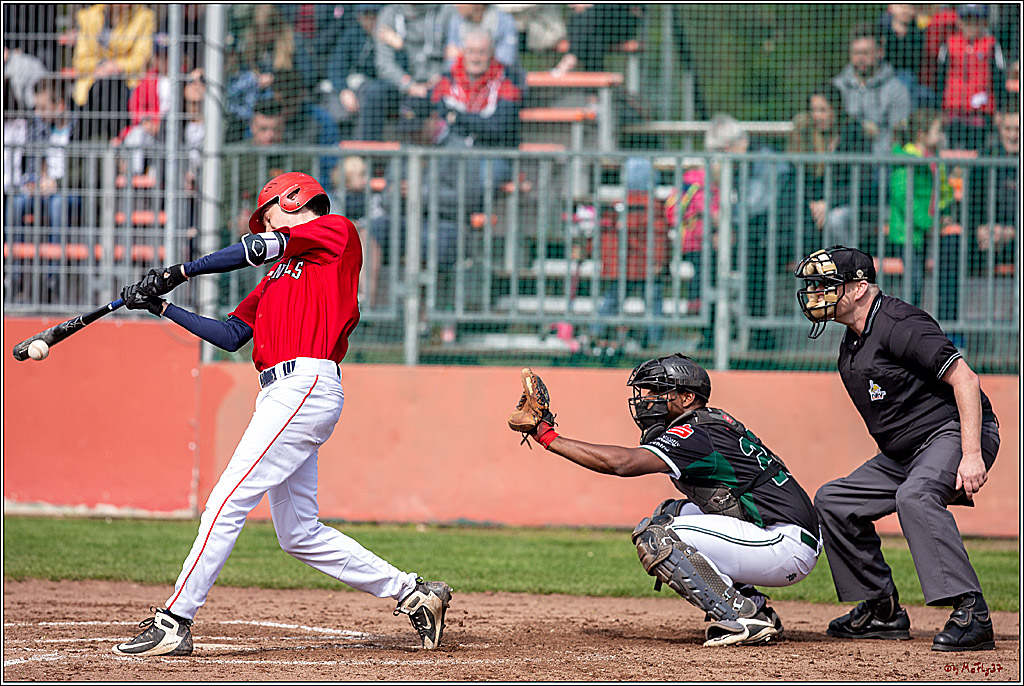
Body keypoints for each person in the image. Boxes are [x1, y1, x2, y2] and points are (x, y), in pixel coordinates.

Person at [112, 172, 453, 657]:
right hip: (280, 391)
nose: (265, 224)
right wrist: (162, 307)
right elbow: (231, 334)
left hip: (305, 382)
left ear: (293, 199)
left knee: (225, 501)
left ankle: (174, 620)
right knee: (299, 534)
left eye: (268, 213)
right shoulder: (278, 276)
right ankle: (414, 593)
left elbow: (254, 248)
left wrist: (182, 271)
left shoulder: (335, 231)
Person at [508, 358, 822, 647]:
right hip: (779, 534)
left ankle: (742, 615)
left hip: (784, 544)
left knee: (657, 538)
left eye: (658, 390)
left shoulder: (696, 433)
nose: (646, 398)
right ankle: (757, 609)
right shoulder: (706, 425)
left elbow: (622, 464)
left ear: (687, 398)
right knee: (668, 514)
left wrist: (547, 436)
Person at [795, 245, 1000, 652]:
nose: (817, 294)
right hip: (904, 455)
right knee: (834, 501)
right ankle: (882, 610)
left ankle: (972, 613)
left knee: (916, 496)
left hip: (951, 432)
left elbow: (966, 380)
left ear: (859, 288)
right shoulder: (853, 341)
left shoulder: (900, 323)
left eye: (827, 284)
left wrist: (971, 454)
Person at [784, 83, 875, 251]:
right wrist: (813, 204)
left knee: (835, 220)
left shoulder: (854, 135)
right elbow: (799, 179)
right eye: (814, 110)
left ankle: (844, 266)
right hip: (815, 204)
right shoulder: (806, 135)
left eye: (823, 110)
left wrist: (829, 202)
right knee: (797, 216)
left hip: (849, 204)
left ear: (836, 109)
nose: (817, 116)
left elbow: (862, 183)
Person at [887, 109, 954, 312]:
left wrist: (945, 210)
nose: (941, 136)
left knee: (919, 282)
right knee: (913, 283)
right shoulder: (906, 158)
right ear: (921, 134)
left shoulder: (934, 159)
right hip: (908, 232)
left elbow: (942, 190)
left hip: (923, 229)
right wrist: (928, 222)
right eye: (937, 131)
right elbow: (903, 197)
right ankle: (905, 323)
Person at [361, 4, 456, 141]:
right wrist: (409, 85)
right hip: (402, 83)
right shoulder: (390, 13)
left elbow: (454, 53)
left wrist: (441, 77)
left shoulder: (446, 11)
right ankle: (369, 151)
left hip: (437, 83)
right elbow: (384, 63)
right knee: (375, 93)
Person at [71, 4, 155, 141]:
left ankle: (103, 141)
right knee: (101, 90)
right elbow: (80, 61)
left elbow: (141, 59)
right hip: (93, 83)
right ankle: (113, 140)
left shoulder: (144, 16)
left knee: (109, 88)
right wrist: (101, 66)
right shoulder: (87, 16)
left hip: (127, 83)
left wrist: (116, 66)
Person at [935, 4, 1009, 152]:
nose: (970, 25)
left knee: (978, 153)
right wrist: (939, 109)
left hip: (981, 113)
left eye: (975, 20)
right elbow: (940, 79)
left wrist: (999, 110)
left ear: (983, 22)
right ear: (960, 22)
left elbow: (999, 79)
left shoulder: (991, 44)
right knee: (953, 152)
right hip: (953, 111)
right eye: (967, 20)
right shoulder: (949, 43)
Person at [832, 24, 911, 158]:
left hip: (881, 163)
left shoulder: (897, 89)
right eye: (856, 53)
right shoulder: (837, 87)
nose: (860, 58)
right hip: (841, 162)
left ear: (880, 52)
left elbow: (899, 135)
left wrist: (875, 135)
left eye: (866, 53)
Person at [446, 4, 520, 68]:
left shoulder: (505, 21)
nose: (457, 4)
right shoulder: (457, 20)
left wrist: (463, 53)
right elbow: (451, 60)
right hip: (466, 78)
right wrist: (486, 53)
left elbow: (507, 59)